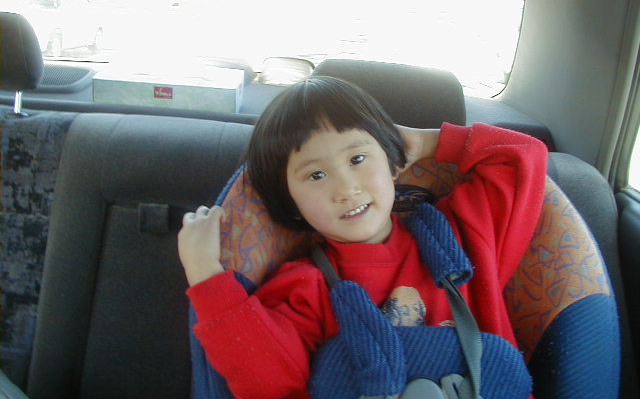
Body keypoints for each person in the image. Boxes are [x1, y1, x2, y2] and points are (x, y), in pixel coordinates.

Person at [178, 76, 547, 399]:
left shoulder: (461, 236)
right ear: (292, 205)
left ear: (393, 162)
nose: (346, 188)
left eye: (357, 159)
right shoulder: (305, 288)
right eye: (316, 175)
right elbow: (271, 384)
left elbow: (522, 156)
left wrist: (425, 142)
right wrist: (205, 272)